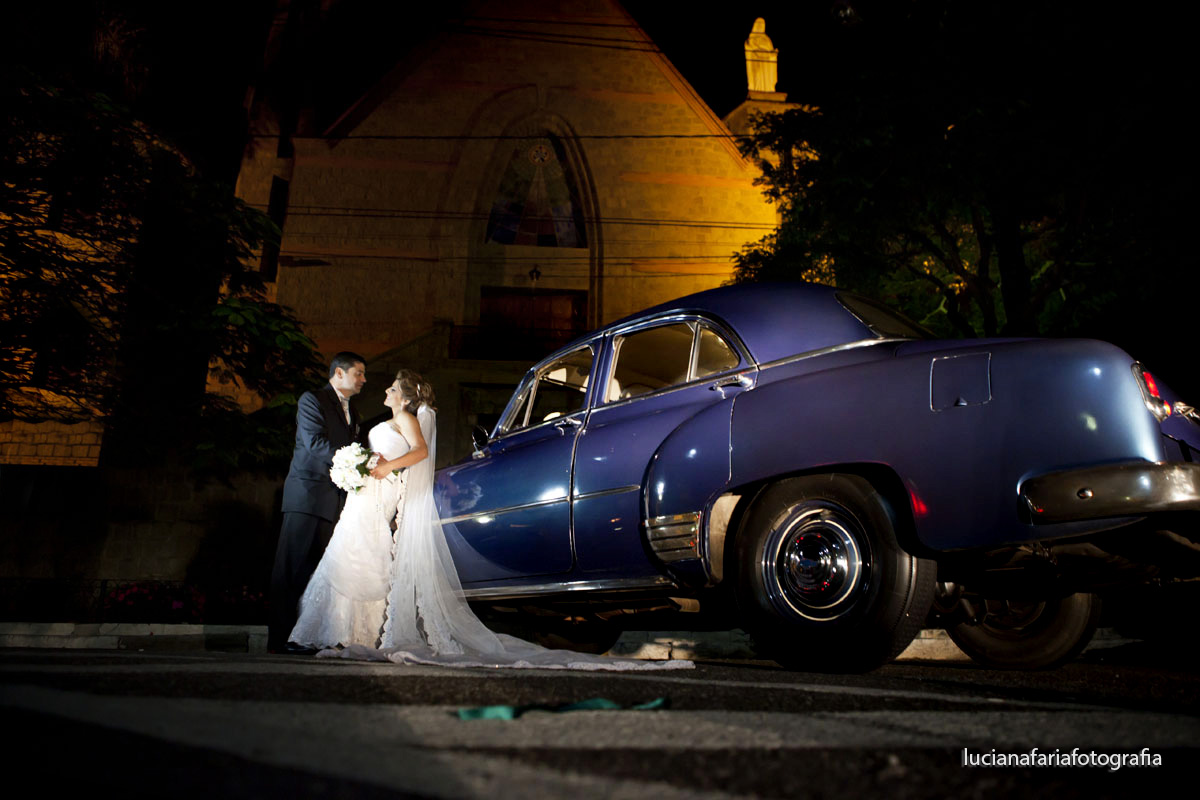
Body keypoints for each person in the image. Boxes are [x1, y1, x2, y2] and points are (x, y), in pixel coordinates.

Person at [298, 369, 693, 671]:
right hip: (370, 494)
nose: (383, 391)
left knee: (355, 556)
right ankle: (344, 630)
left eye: (390, 388)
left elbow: (417, 454)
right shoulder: (396, 418)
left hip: (379, 491)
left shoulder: (406, 418)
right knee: (355, 557)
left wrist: (383, 470)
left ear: (402, 395)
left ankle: (345, 632)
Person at [268, 352, 367, 654]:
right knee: (291, 570)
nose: (364, 379)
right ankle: (279, 641)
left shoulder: (355, 414)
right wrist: (359, 461)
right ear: (339, 373)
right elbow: (314, 444)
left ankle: (306, 636)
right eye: (359, 373)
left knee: (318, 573)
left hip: (333, 503)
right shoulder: (312, 400)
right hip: (307, 496)